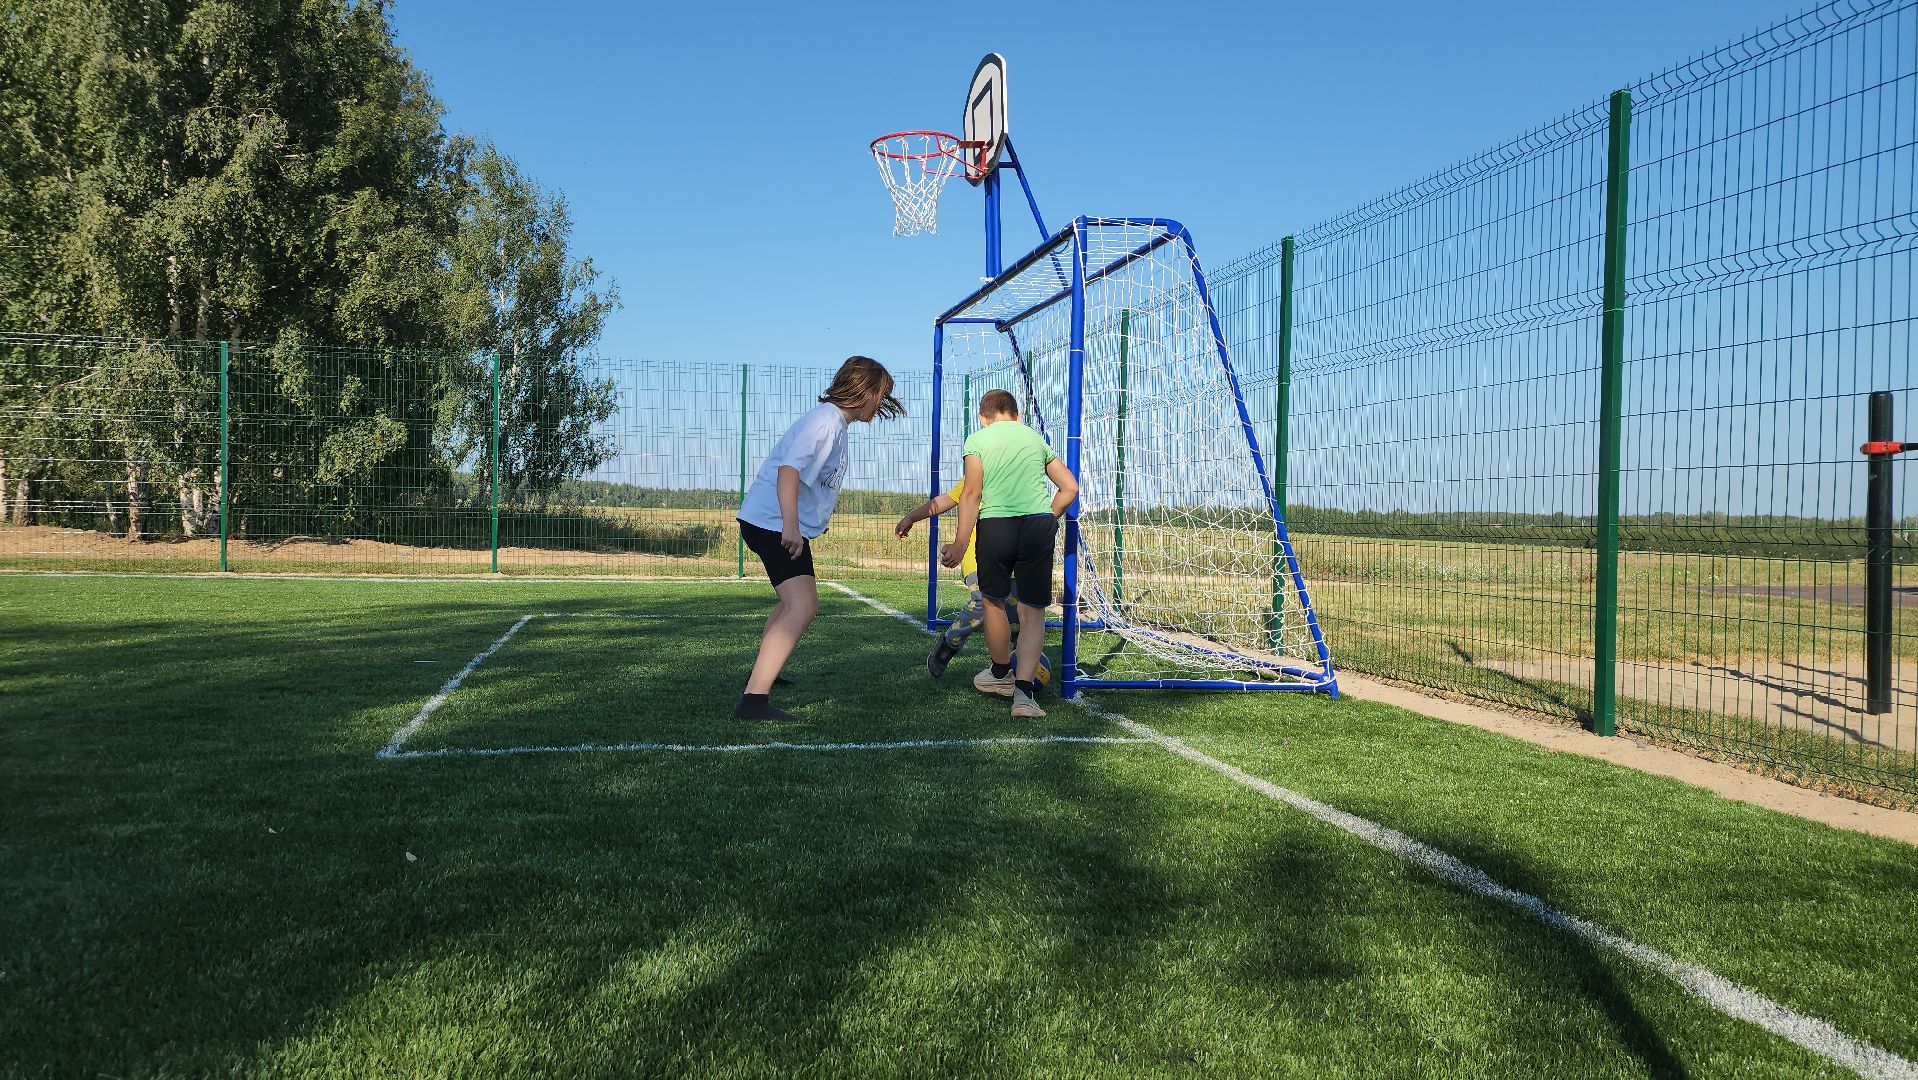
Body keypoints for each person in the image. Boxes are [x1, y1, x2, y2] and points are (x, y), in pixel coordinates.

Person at [735, 356, 903, 721]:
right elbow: (788, 473)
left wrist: (810, 520)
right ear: (863, 390)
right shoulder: (825, 423)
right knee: (803, 605)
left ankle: (765, 674)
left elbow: (811, 481)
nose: (881, 402)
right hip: (772, 524)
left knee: (790, 604)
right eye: (880, 394)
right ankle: (753, 701)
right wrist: (792, 526)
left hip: (770, 522)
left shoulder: (834, 424)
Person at [942, 389, 1078, 718]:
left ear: (983, 418)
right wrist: (1048, 518)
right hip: (1036, 526)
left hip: (996, 526)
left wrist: (961, 544)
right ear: (1018, 415)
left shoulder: (977, 440)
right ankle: (1024, 697)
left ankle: (1000, 673)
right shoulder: (1034, 438)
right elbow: (1070, 487)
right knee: (1033, 614)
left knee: (993, 602)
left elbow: (972, 493)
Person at [894, 482, 1051, 684]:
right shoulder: (980, 472)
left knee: (1014, 617)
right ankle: (950, 642)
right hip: (978, 556)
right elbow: (946, 500)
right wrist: (911, 517)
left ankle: (1016, 668)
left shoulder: (1023, 476)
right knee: (982, 601)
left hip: (1014, 558)